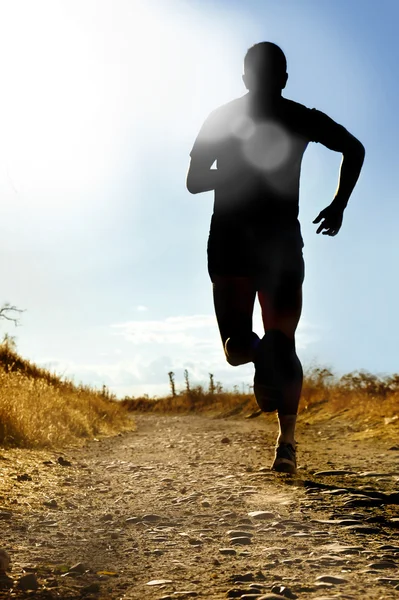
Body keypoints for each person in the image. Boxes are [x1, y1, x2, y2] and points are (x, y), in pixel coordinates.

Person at [186, 42, 365, 474]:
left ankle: (277, 411)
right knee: (273, 348)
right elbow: (354, 148)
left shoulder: (234, 116)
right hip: (264, 244)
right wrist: (339, 203)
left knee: (240, 347)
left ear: (247, 77)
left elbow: (193, 182)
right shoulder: (290, 116)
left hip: (244, 243)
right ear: (280, 78)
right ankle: (286, 441)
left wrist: (230, 173)